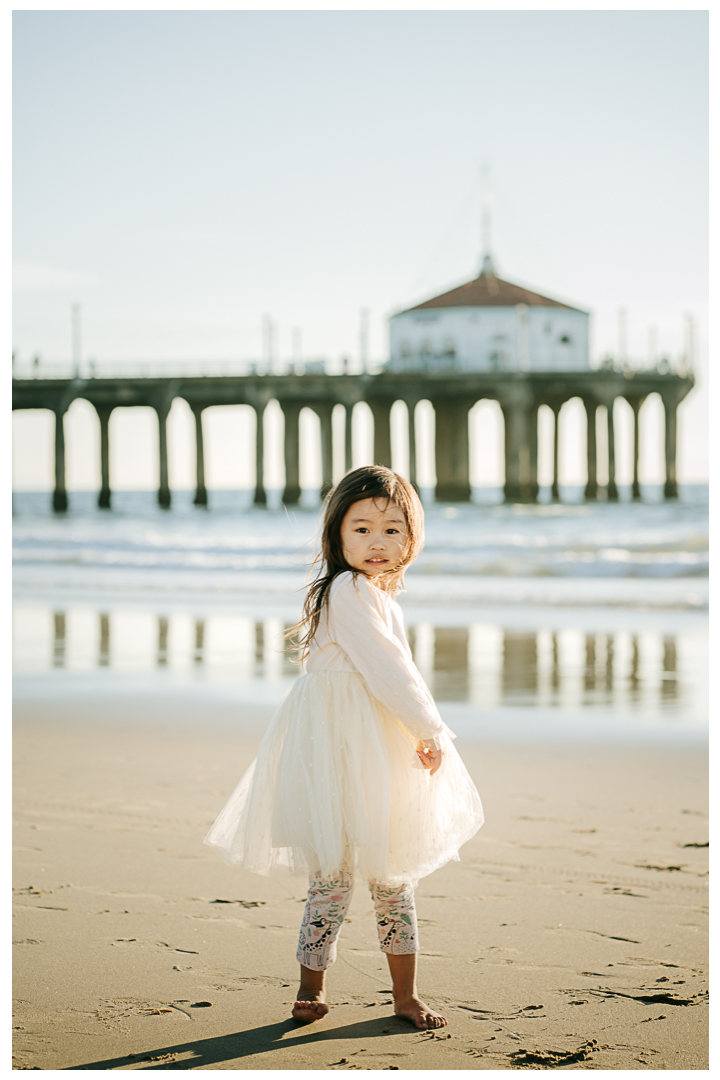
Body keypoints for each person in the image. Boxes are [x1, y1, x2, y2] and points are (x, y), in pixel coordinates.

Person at [205, 466, 483, 1029]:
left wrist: (419, 722)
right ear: (336, 535)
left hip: (361, 741)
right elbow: (389, 670)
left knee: (351, 872)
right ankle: (385, 996)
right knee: (375, 871)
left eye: (393, 530)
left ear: (412, 538)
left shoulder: (367, 594)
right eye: (361, 530)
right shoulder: (350, 589)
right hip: (351, 747)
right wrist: (429, 728)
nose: (377, 543)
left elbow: (394, 669)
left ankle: (324, 991)